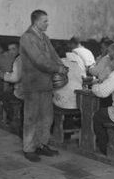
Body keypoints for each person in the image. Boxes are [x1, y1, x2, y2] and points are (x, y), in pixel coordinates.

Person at [20, 9, 66, 162]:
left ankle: (41, 144)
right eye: (45, 21)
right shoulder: (26, 38)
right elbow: (38, 59)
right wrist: (56, 68)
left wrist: (62, 66)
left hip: (46, 83)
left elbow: (54, 55)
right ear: (36, 22)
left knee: (46, 117)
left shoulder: (44, 37)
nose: (48, 23)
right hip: (32, 84)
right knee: (31, 117)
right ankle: (29, 148)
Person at [53, 44, 86, 110]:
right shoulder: (75, 64)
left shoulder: (54, 66)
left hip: (61, 104)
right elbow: (83, 77)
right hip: (78, 102)